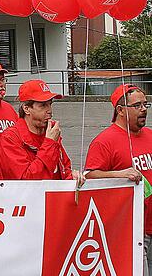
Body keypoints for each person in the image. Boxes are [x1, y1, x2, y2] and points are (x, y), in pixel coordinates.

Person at [85, 84, 152, 275]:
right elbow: (90, 175)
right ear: (120, 110)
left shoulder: (149, 135)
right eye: (137, 105)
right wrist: (119, 174)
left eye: (146, 104)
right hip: (133, 228)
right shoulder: (105, 141)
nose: (144, 109)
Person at [0, 79, 83, 183]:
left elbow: (63, 169)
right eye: (43, 106)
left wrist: (72, 177)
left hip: (53, 196)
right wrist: (50, 143)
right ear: (26, 109)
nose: (49, 110)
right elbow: (27, 181)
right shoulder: (11, 138)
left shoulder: (50, 132)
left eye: (50, 104)